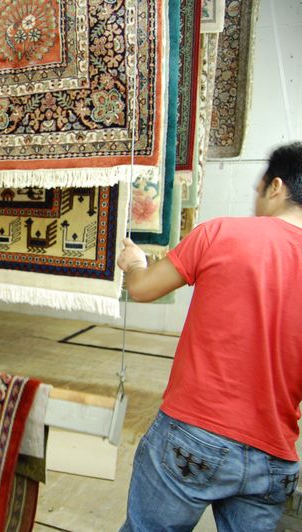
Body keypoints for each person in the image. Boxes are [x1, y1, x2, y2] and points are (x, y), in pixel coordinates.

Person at [116, 143, 302, 530]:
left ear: (277, 187)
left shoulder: (221, 233)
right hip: (276, 455)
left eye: (258, 190)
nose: (256, 201)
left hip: (194, 436)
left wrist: (134, 263)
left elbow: (143, 288)